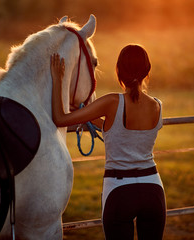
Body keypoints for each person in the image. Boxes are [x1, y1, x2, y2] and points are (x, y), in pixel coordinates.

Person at [51, 44, 166, 240]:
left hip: (120, 191)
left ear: (118, 71)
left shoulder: (111, 102)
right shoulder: (157, 105)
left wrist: (58, 80)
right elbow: (119, 130)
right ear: (147, 71)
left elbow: (60, 119)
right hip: (153, 189)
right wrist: (88, 114)